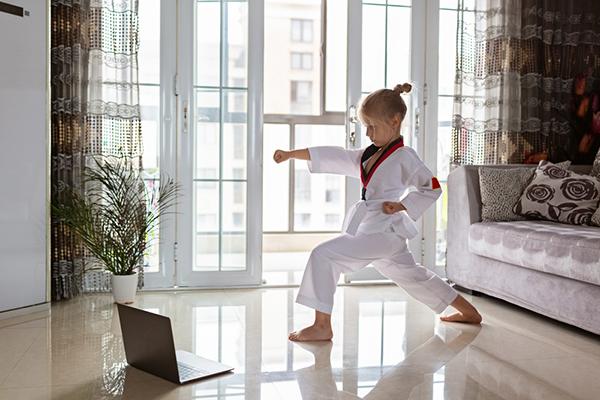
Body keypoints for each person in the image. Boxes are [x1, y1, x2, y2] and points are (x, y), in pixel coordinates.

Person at [273, 83, 482, 342]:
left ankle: (322, 325)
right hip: (378, 232)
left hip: (381, 232)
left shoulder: (405, 156)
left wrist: (403, 204)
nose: (368, 133)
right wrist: (292, 154)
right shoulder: (369, 155)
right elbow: (335, 156)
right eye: (366, 126)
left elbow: (433, 187)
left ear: (395, 121)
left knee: (323, 255)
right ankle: (470, 312)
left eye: (372, 126)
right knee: (415, 276)